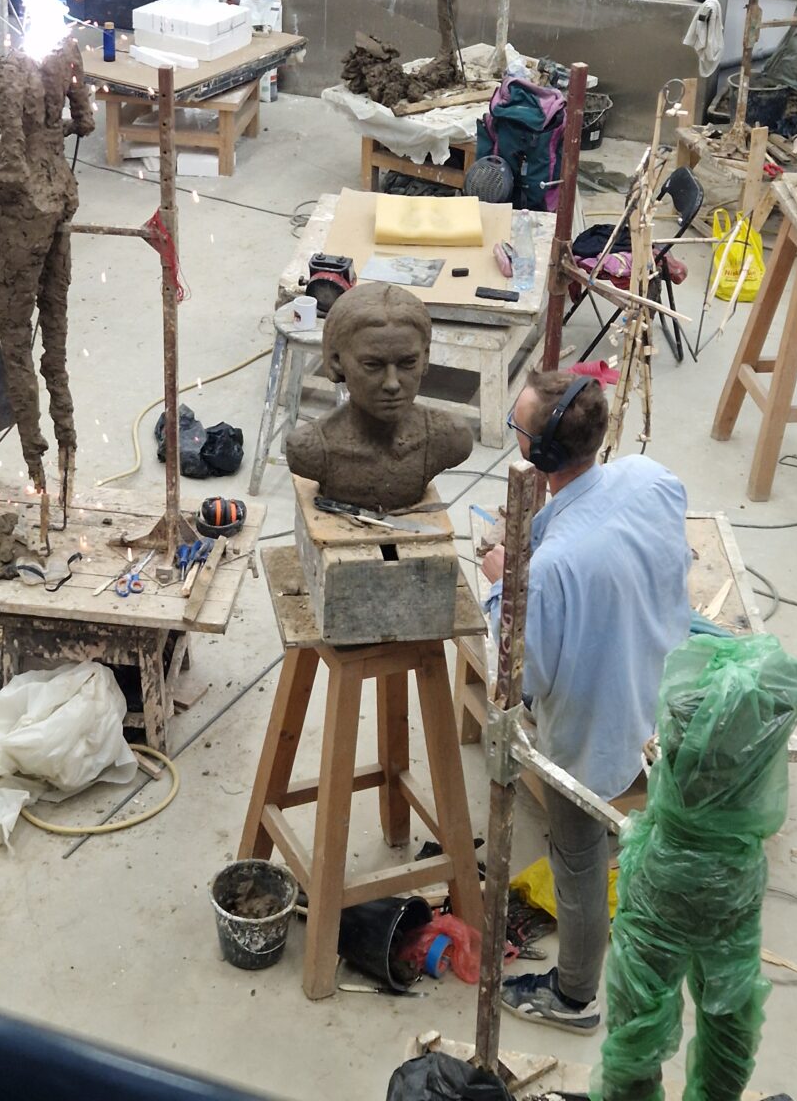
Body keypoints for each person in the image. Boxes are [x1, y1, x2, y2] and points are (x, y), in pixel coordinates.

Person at [481, 369, 692, 1034]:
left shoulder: (550, 571)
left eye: (517, 427)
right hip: (666, 680)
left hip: (595, 730)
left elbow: (528, 680)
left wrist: (503, 588)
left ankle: (574, 997)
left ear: (537, 452)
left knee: (577, 860)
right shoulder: (649, 477)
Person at [285, 281, 472, 512]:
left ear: (425, 358)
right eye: (372, 365)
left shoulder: (451, 437)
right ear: (336, 361)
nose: (392, 384)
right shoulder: (309, 449)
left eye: (407, 363)